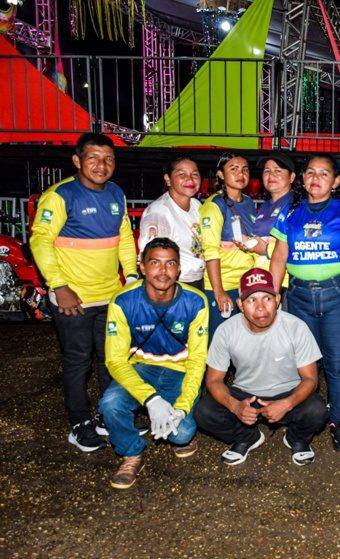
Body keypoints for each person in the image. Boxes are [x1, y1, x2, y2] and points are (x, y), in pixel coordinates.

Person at [30, 132, 138, 453]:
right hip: (73, 298)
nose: (101, 165)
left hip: (110, 296)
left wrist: (131, 276)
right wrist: (59, 286)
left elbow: (124, 237)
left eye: (108, 159)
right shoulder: (61, 196)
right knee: (78, 362)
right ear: (77, 161)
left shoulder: (116, 193)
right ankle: (79, 424)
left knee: (110, 360)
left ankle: (108, 417)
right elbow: (40, 240)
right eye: (93, 158)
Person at [270, 153, 340, 451]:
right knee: (305, 364)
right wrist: (273, 294)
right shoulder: (290, 211)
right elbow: (279, 256)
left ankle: (339, 423)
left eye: (324, 173)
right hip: (298, 297)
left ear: (336, 181)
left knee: (336, 364)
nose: (316, 178)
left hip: (337, 296)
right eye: (311, 172)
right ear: (302, 178)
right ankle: (308, 420)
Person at [98, 238, 208, 489]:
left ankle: (177, 419)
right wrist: (151, 399)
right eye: (155, 263)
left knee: (182, 434)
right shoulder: (123, 301)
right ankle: (131, 453)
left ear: (179, 269)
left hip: (179, 371)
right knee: (110, 404)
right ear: (143, 267)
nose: (163, 270)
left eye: (170, 263)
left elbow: (198, 360)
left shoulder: (195, 301)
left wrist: (182, 406)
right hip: (141, 368)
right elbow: (114, 360)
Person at [194, 269, 327, 466]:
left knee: (317, 410)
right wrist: (235, 406)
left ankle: (296, 438)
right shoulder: (226, 331)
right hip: (247, 394)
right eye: (251, 300)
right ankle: (247, 437)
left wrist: (287, 403)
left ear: (278, 299)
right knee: (204, 411)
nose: (261, 308)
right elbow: (213, 380)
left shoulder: (296, 327)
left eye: (267, 298)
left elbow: (310, 379)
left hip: (287, 392)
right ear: (240, 304)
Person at [199, 152, 259, 339]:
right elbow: (210, 250)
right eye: (233, 169)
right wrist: (219, 291)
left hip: (246, 285)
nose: (240, 174)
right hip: (223, 285)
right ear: (221, 175)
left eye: (244, 170)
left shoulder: (249, 203)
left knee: (244, 342)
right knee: (219, 343)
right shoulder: (214, 205)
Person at [138, 156, 205, 290]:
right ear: (168, 179)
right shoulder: (159, 212)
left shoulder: (197, 205)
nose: (190, 179)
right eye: (182, 174)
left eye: (194, 174)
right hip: (173, 285)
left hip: (198, 281)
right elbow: (152, 256)